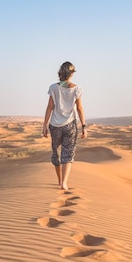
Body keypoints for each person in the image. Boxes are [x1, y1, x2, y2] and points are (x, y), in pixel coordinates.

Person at [42, 61, 87, 190]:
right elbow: (80, 108)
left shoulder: (53, 87)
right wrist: (84, 126)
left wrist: (44, 125)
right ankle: (64, 183)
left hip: (55, 125)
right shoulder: (76, 89)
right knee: (68, 153)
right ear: (71, 74)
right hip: (70, 125)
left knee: (56, 153)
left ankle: (59, 180)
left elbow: (50, 107)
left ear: (61, 73)